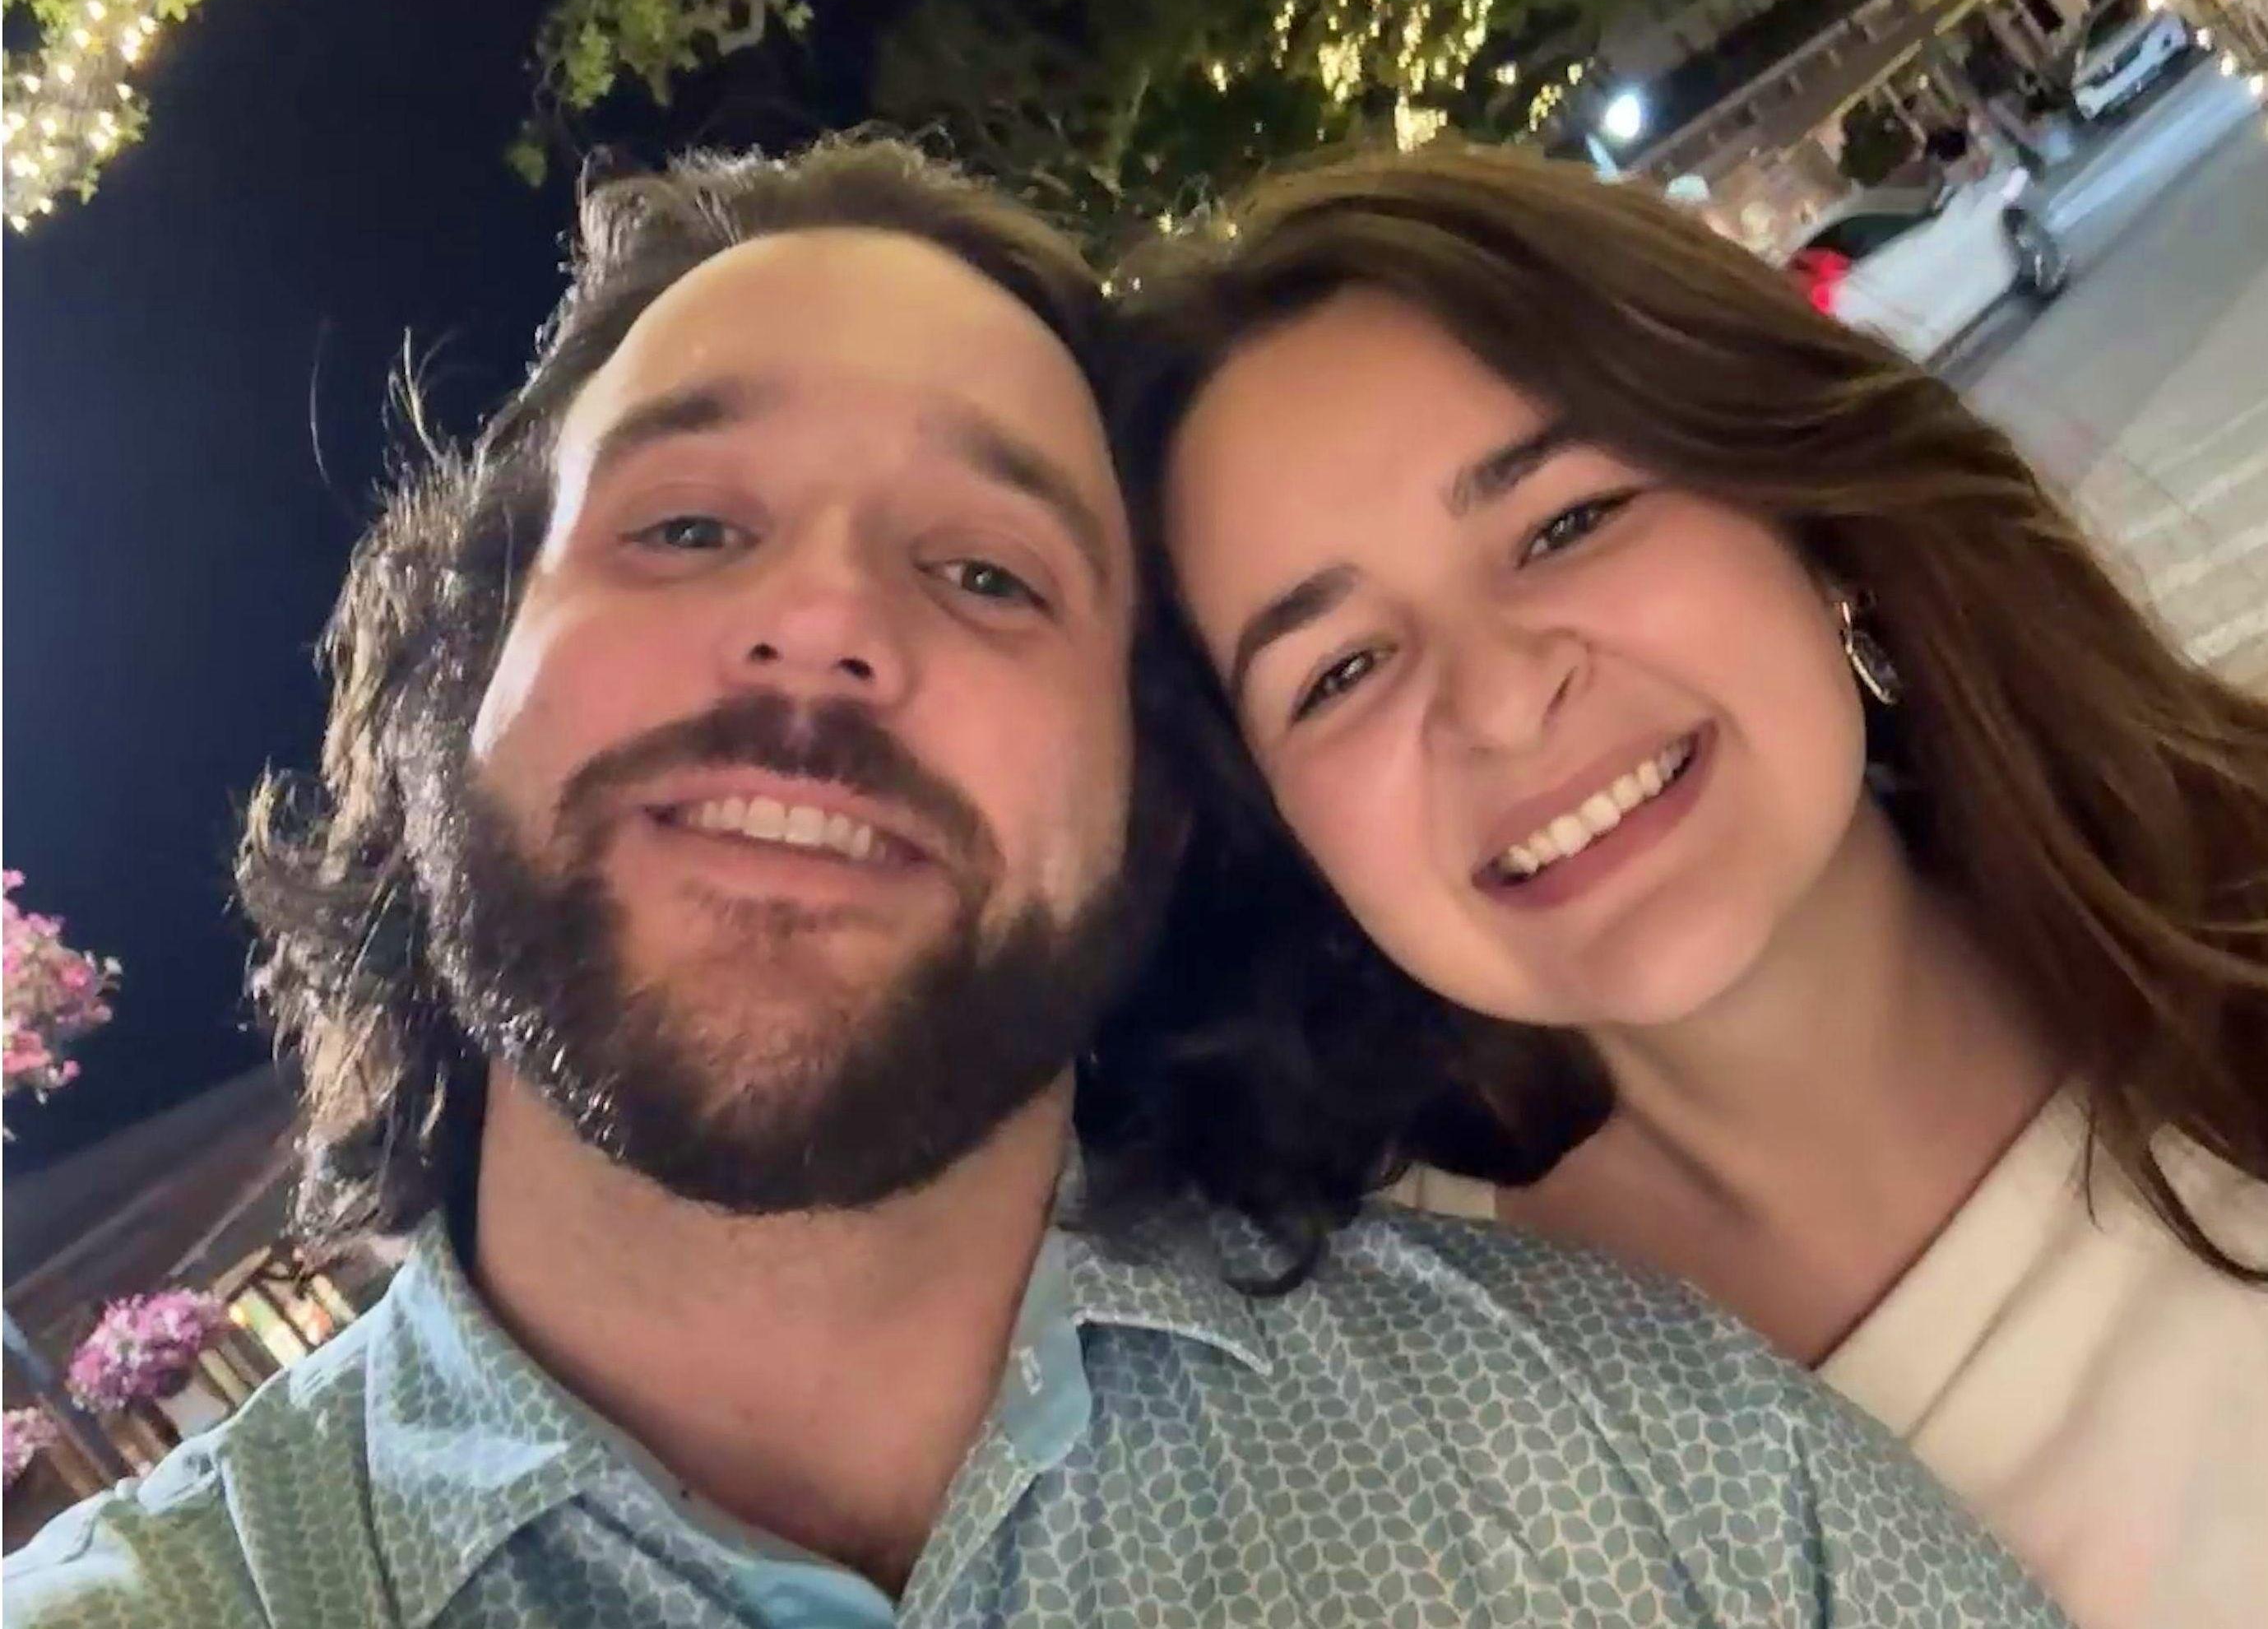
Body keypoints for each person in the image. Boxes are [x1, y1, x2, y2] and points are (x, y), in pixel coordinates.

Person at [6, 137, 2063, 1629]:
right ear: (455, 686)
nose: (821, 625)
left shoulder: (1636, 1439)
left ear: (1157, 800)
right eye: (687, 525)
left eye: (989, 572)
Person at [1099, 136, 2268, 1629]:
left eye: (1565, 523)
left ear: (1805, 516)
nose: (1498, 701)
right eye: (1337, 669)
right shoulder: (1393, 1437)